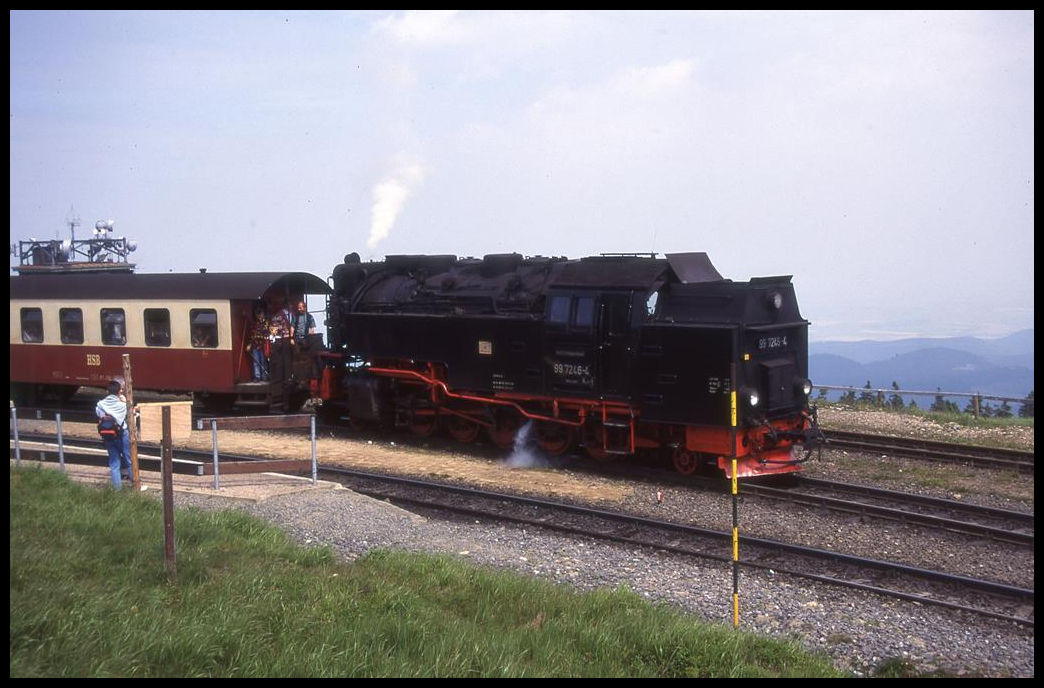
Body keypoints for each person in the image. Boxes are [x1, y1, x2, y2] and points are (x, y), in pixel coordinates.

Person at [95, 379, 133, 489]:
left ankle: (117, 489)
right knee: (128, 459)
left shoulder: (100, 405)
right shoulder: (123, 405)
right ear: (119, 392)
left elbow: (98, 414)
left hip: (108, 435)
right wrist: (124, 400)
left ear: (107, 391)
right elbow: (129, 413)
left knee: (114, 462)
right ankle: (135, 485)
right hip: (122, 435)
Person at [246, 304, 270, 382]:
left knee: (263, 361)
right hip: (255, 345)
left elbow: (267, 334)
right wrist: (249, 344)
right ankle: (257, 376)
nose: (259, 315)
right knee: (256, 362)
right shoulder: (254, 324)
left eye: (260, 313)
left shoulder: (267, 323)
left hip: (263, 345)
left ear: (263, 314)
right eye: (257, 314)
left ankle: (264, 376)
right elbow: (252, 335)